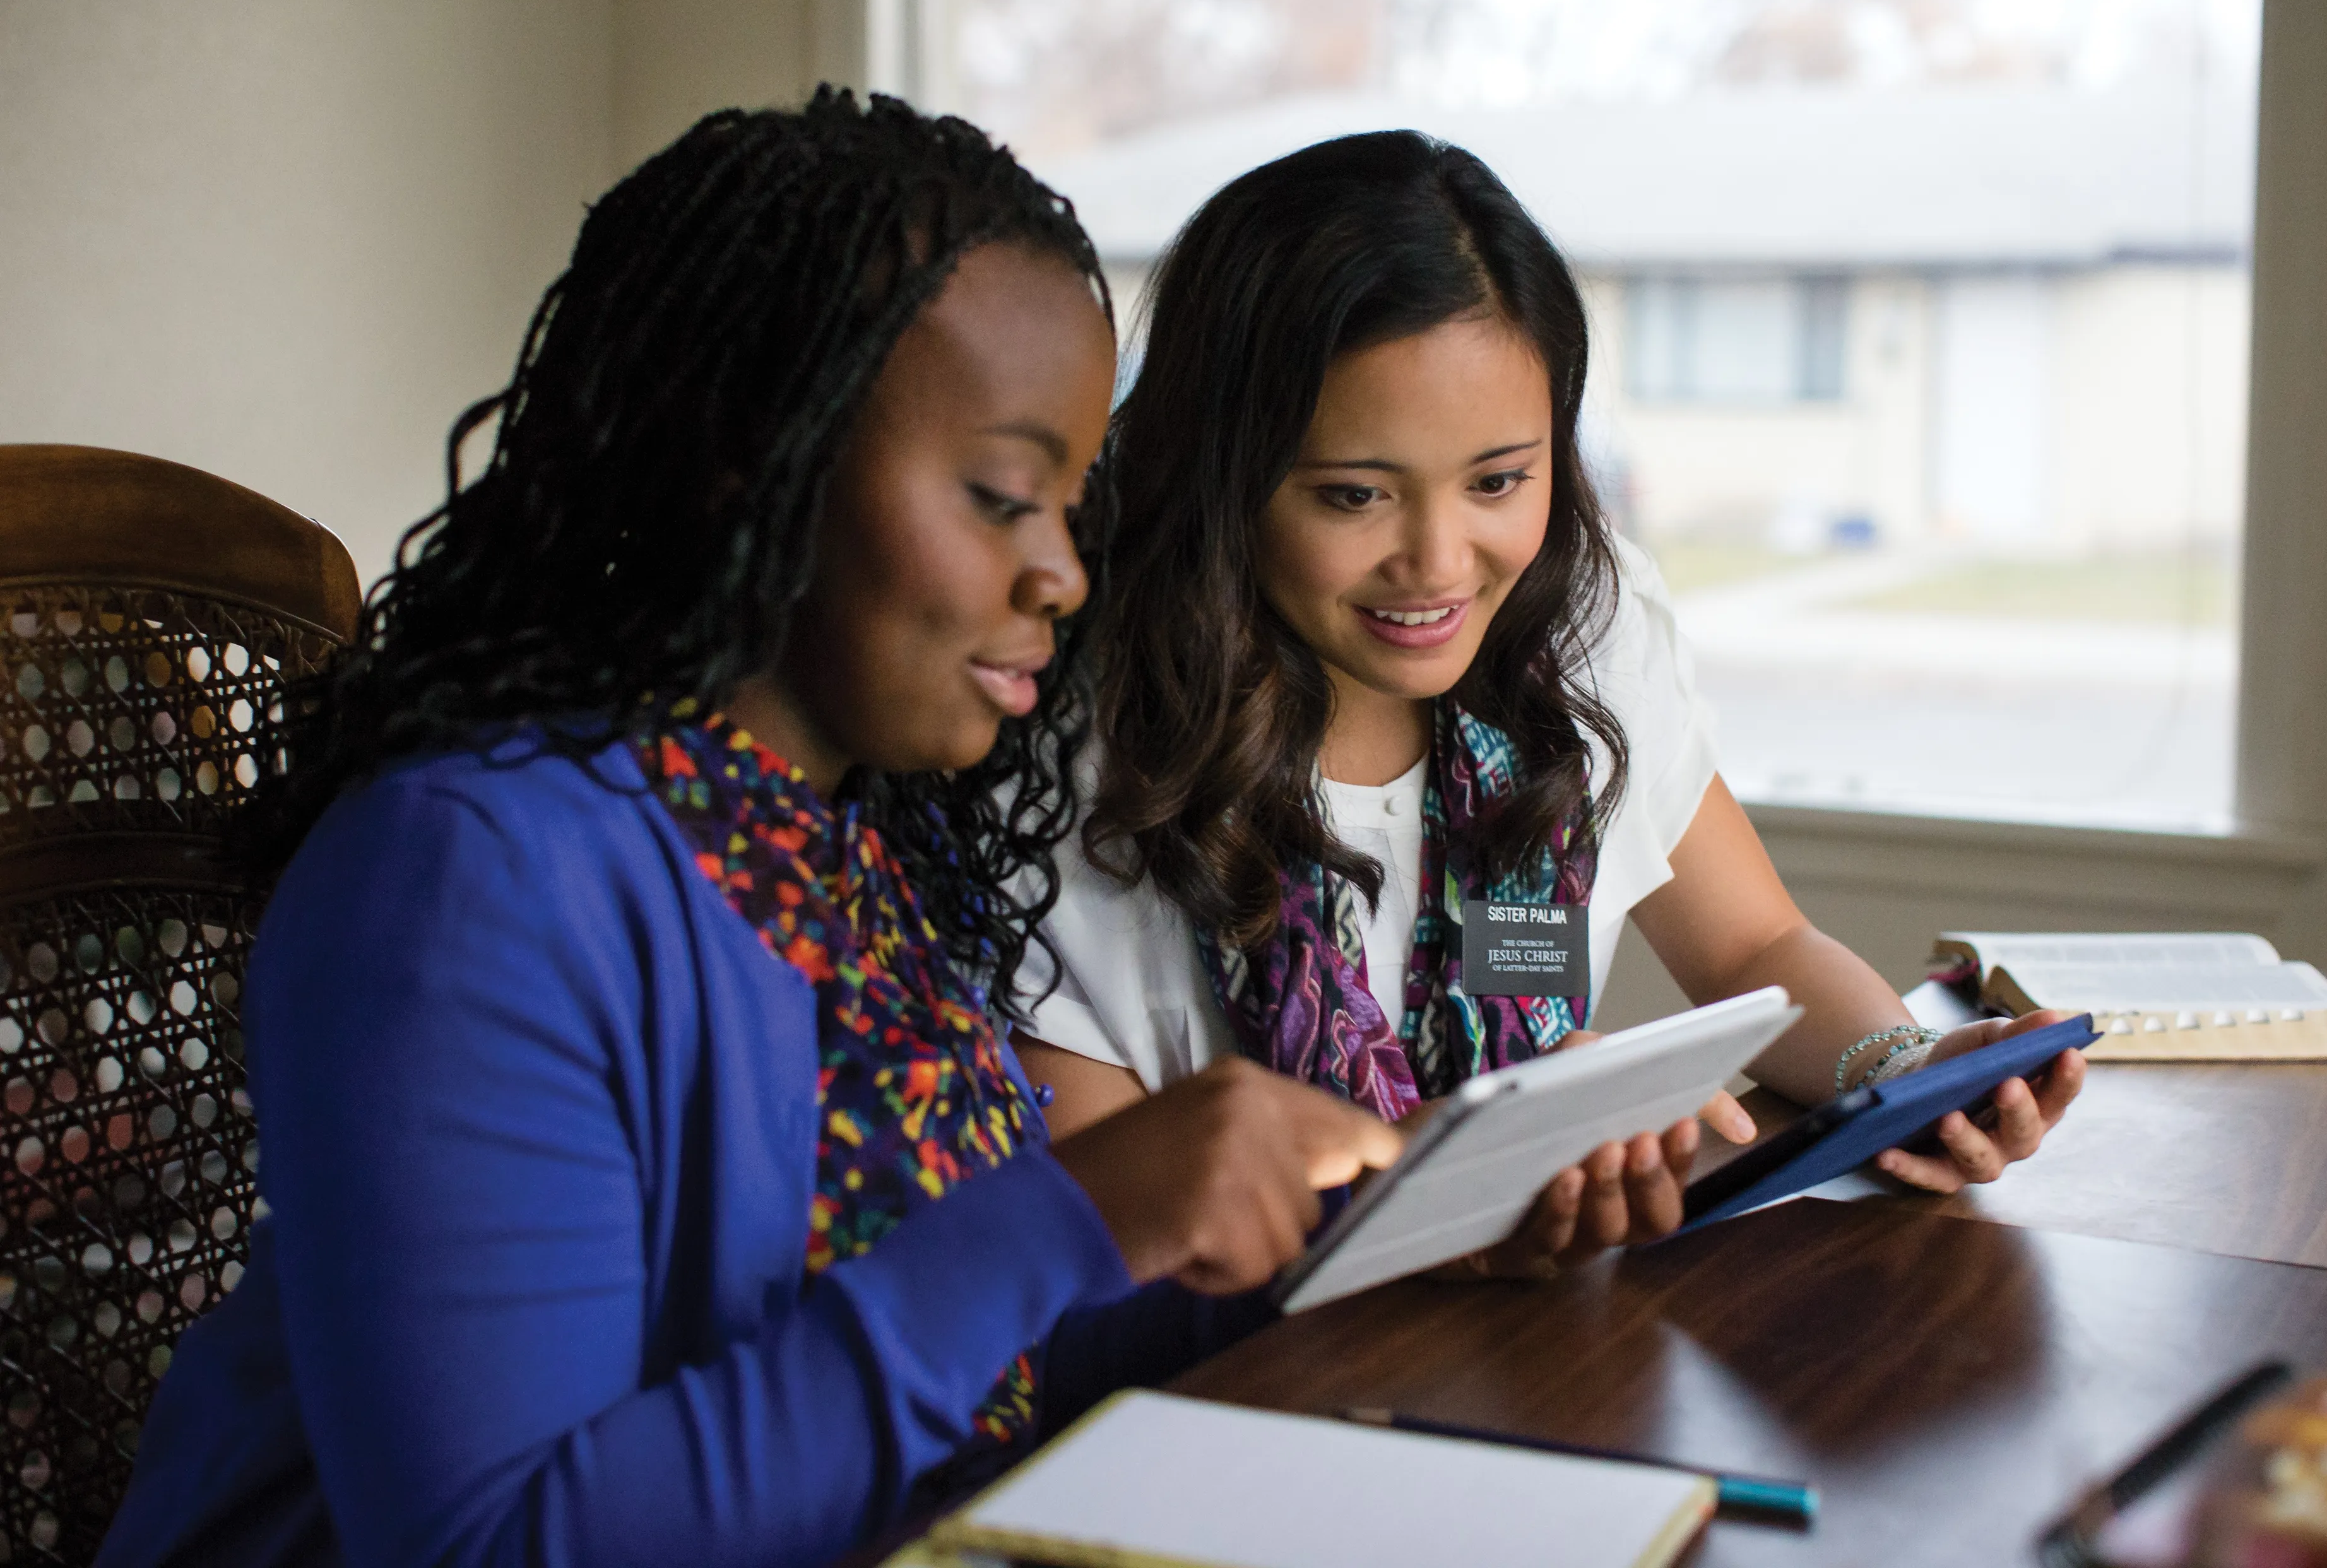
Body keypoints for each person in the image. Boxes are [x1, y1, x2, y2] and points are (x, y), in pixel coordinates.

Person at [97, 94, 1399, 1568]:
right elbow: (496, 1543)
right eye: (997, 496)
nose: (1062, 574)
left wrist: (1360, 1240)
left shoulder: (839, 840)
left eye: (1071, 504)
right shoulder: (466, 877)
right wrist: (1069, 1216)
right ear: (752, 451)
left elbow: (966, 1366)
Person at [1012, 130, 2085, 1275]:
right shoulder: (1060, 758)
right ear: (1221, 472)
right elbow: (1099, 1240)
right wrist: (1445, 1201)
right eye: (1355, 495)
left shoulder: (1579, 639)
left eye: (1498, 481)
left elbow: (1755, 943)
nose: (1438, 562)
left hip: (1551, 1341)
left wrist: (1901, 1073)